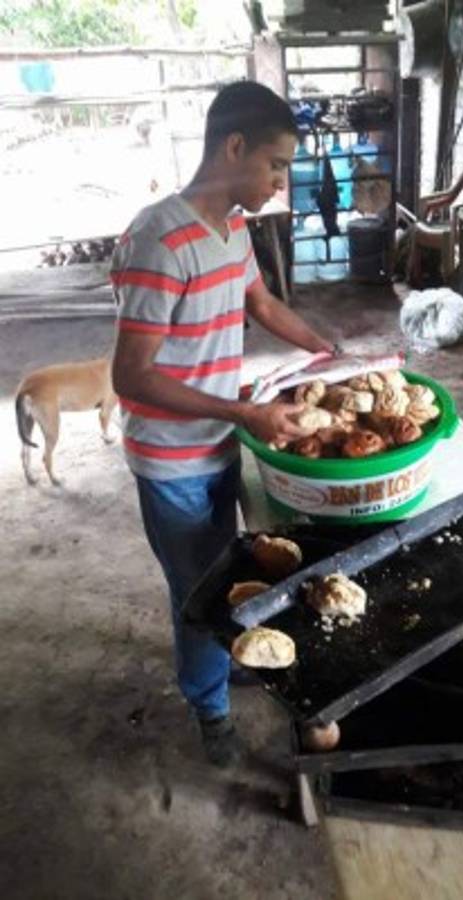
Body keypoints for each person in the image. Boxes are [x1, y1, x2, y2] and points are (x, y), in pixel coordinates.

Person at [111, 81, 334, 766]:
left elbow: (261, 303)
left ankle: (222, 660)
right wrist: (246, 412)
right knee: (200, 590)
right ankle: (209, 708)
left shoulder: (233, 227)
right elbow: (132, 376)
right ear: (233, 147)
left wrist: (331, 353)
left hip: (217, 440)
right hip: (171, 458)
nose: (281, 181)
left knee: (227, 565)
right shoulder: (160, 239)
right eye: (276, 164)